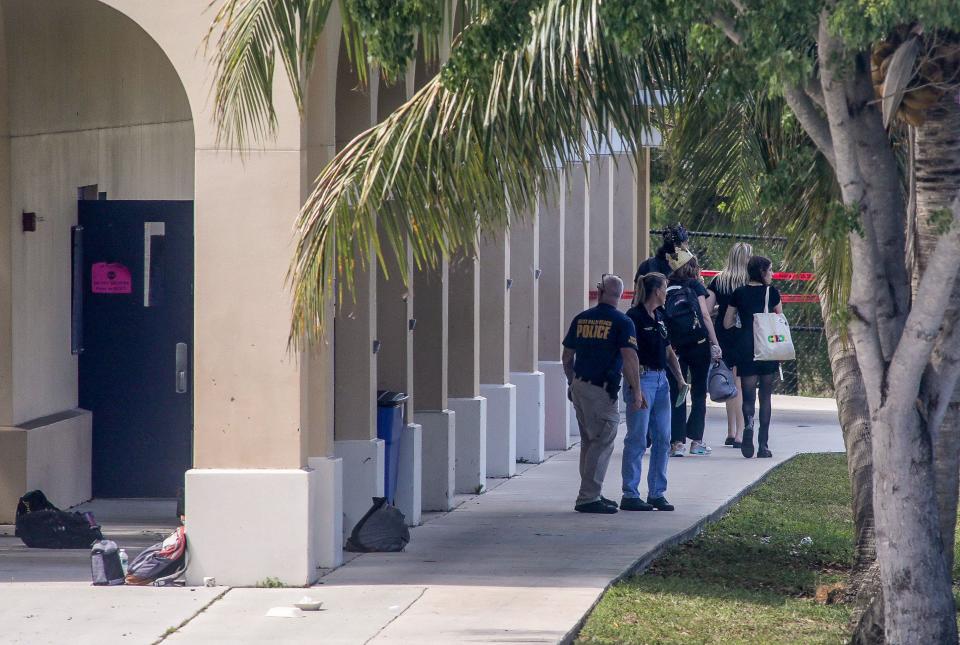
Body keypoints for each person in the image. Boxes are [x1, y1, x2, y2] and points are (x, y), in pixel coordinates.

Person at [562, 274, 644, 514]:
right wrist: (637, 391)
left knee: (589, 441)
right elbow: (630, 358)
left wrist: (571, 382)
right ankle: (588, 497)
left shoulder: (581, 319)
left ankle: (591, 492)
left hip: (580, 386)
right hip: (601, 389)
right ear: (620, 295)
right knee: (603, 439)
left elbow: (567, 357)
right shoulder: (622, 322)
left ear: (599, 292)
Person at [620, 272, 686, 512]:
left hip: (661, 380)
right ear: (656, 291)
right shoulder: (634, 318)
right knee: (637, 437)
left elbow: (668, 350)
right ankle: (630, 493)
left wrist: (679, 378)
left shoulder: (659, 316)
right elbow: (630, 355)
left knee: (663, 438)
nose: (666, 292)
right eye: (664, 288)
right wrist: (636, 389)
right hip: (643, 378)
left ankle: (657, 492)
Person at [663, 250, 722, 456]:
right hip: (698, 344)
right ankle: (697, 441)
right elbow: (705, 315)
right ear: (692, 267)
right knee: (698, 392)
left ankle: (676, 443)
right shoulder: (695, 286)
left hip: (675, 347)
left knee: (677, 392)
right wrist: (715, 342)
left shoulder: (666, 286)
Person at [724, 255, 782, 459]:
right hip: (766, 347)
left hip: (745, 346)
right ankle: (763, 445)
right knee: (765, 396)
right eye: (771, 270)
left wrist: (741, 327)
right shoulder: (772, 292)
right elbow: (778, 319)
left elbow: (727, 322)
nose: (773, 274)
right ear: (762, 272)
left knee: (748, 394)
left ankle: (747, 424)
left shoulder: (738, 293)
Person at [707, 242, 753, 448]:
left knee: (727, 379)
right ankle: (741, 433)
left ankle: (730, 431)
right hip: (744, 335)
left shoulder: (719, 280)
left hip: (722, 333)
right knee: (740, 382)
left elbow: (707, 309)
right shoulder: (750, 281)